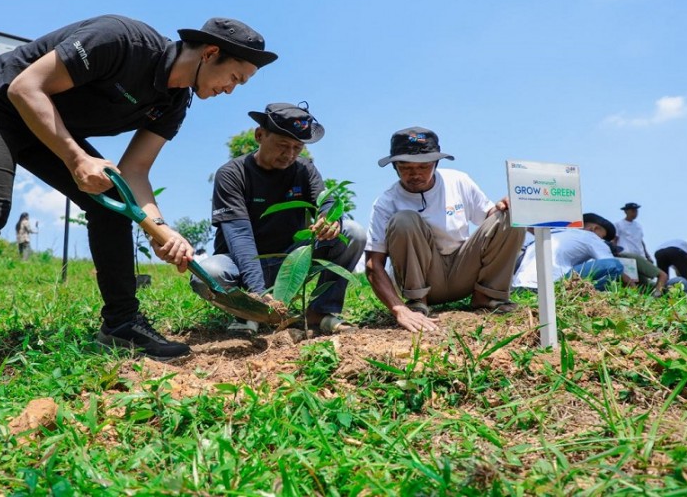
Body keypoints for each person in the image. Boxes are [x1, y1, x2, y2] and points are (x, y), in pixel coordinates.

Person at [0, 15, 277, 395]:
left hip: (43, 127)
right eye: (235, 78)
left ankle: (121, 326)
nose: (231, 90)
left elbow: (135, 171)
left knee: (111, 202)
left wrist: (161, 232)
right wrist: (75, 158)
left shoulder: (174, 102)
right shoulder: (121, 41)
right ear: (211, 53)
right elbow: (25, 87)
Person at [190, 102, 366, 335]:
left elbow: (326, 201)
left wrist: (328, 218)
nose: (290, 154)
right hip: (241, 264)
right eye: (283, 145)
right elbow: (240, 236)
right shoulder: (232, 174)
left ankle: (321, 312)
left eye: (297, 147)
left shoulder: (304, 170)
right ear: (260, 135)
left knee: (352, 233)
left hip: (291, 259)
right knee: (207, 275)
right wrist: (259, 293)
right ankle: (247, 314)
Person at [364, 127, 524, 333]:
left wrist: (505, 207)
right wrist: (399, 309)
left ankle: (488, 296)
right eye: (406, 167)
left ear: (436, 163)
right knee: (404, 220)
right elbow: (373, 264)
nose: (415, 174)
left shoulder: (458, 181)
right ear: (395, 167)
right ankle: (417, 303)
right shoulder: (386, 203)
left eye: (423, 167)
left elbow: (490, 219)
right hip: (425, 280)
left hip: (464, 270)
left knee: (511, 216)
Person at [513, 213, 628, 291]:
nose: (602, 241)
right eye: (602, 237)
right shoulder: (590, 236)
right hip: (549, 286)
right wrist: (632, 286)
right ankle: (590, 296)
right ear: (594, 229)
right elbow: (610, 263)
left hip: (519, 286)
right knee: (615, 266)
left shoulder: (556, 233)